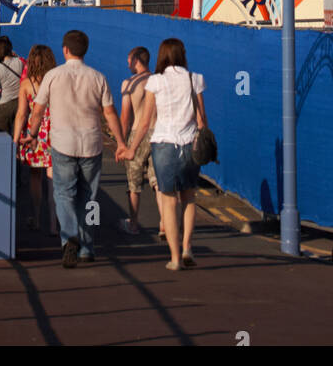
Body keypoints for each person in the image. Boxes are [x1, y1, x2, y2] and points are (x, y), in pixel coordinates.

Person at [26, 29, 127, 268]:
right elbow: (110, 113)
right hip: (92, 143)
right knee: (89, 197)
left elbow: (38, 111)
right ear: (85, 50)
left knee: (63, 194)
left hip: (62, 143)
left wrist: (31, 135)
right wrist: (121, 143)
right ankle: (87, 246)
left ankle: (69, 236)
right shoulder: (98, 77)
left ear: (65, 50)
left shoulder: (52, 76)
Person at [117, 38, 207, 271]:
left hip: (164, 143)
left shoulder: (156, 81)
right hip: (188, 145)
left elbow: (145, 122)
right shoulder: (194, 79)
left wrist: (131, 149)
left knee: (168, 201)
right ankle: (188, 247)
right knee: (188, 197)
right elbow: (201, 121)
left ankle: (175, 258)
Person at [118, 46, 163, 238]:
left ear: (136, 59)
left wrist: (121, 142)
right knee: (158, 182)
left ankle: (133, 224)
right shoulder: (158, 82)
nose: (127, 63)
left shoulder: (129, 83)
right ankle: (164, 223)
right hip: (158, 133)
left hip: (137, 133)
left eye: (129, 59)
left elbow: (125, 117)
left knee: (134, 183)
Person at [13, 44, 57, 233]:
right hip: (55, 132)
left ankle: (37, 218)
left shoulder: (26, 85)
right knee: (53, 179)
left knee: (35, 177)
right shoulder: (56, 81)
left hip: (34, 133)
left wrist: (15, 140)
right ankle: (55, 223)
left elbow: (21, 114)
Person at [0, 37, 25, 134]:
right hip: (20, 103)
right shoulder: (19, 62)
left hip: (3, 105)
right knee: (19, 133)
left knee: (2, 137)